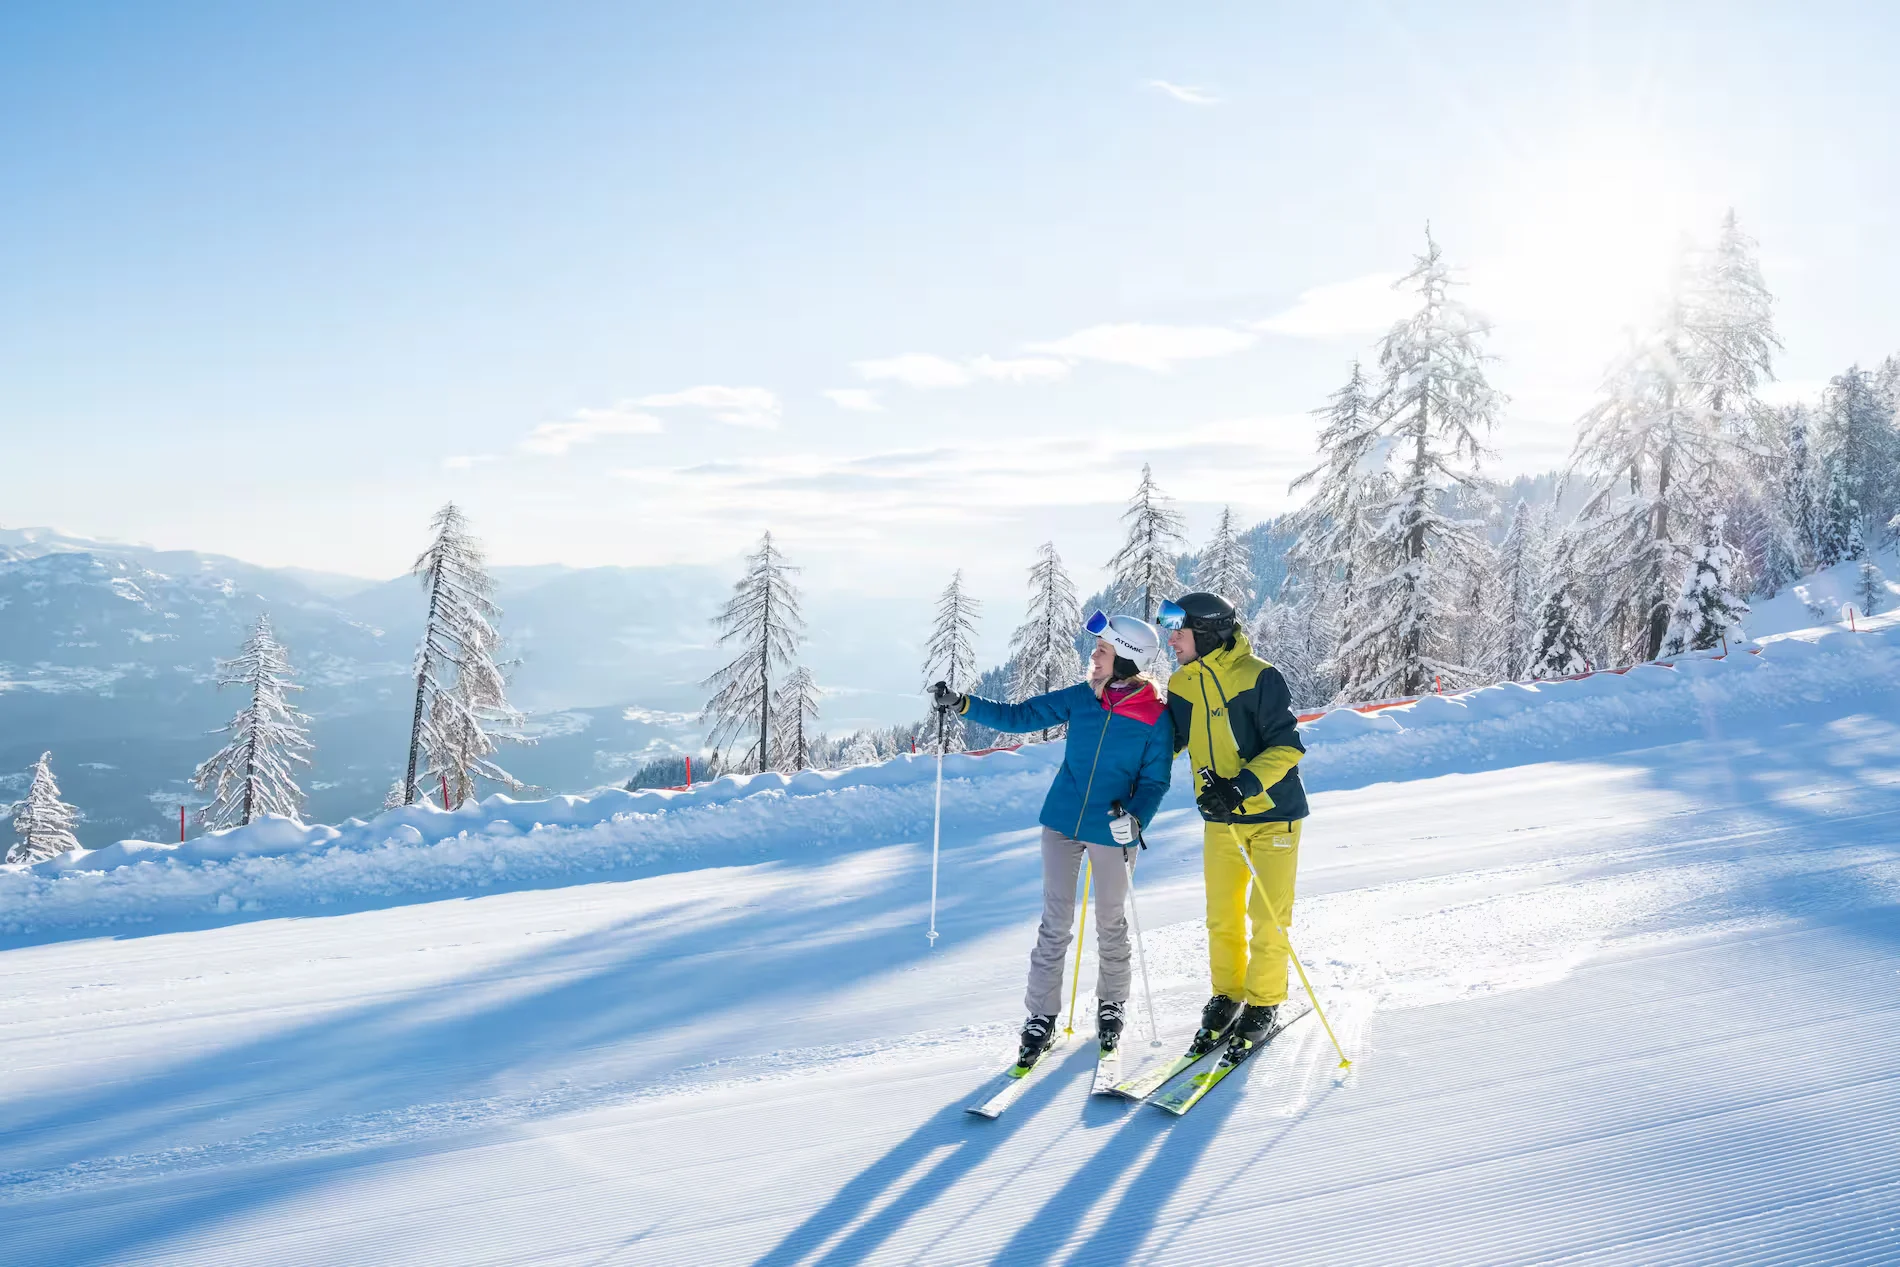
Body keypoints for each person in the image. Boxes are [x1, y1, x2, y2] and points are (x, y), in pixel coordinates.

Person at [930, 611, 1172, 1069]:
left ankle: (1111, 1004)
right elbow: (1021, 716)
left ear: (1125, 661)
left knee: (1111, 922)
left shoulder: (1155, 718)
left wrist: (1136, 819)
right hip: (1062, 821)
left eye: (1102, 651)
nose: (1093, 657)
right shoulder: (1082, 699)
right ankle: (1041, 1015)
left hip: (1112, 830)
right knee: (1054, 924)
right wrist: (964, 704)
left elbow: (1156, 781)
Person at [1159, 591, 1310, 1063]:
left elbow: (1287, 748)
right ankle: (1228, 993)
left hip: (1272, 817)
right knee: (1222, 916)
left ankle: (1263, 1002)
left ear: (1205, 632)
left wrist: (1238, 787)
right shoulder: (1182, 684)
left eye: (1178, 632)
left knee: (1267, 918)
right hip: (1221, 823)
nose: (1171, 640)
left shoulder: (1260, 677)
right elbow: (1168, 743)